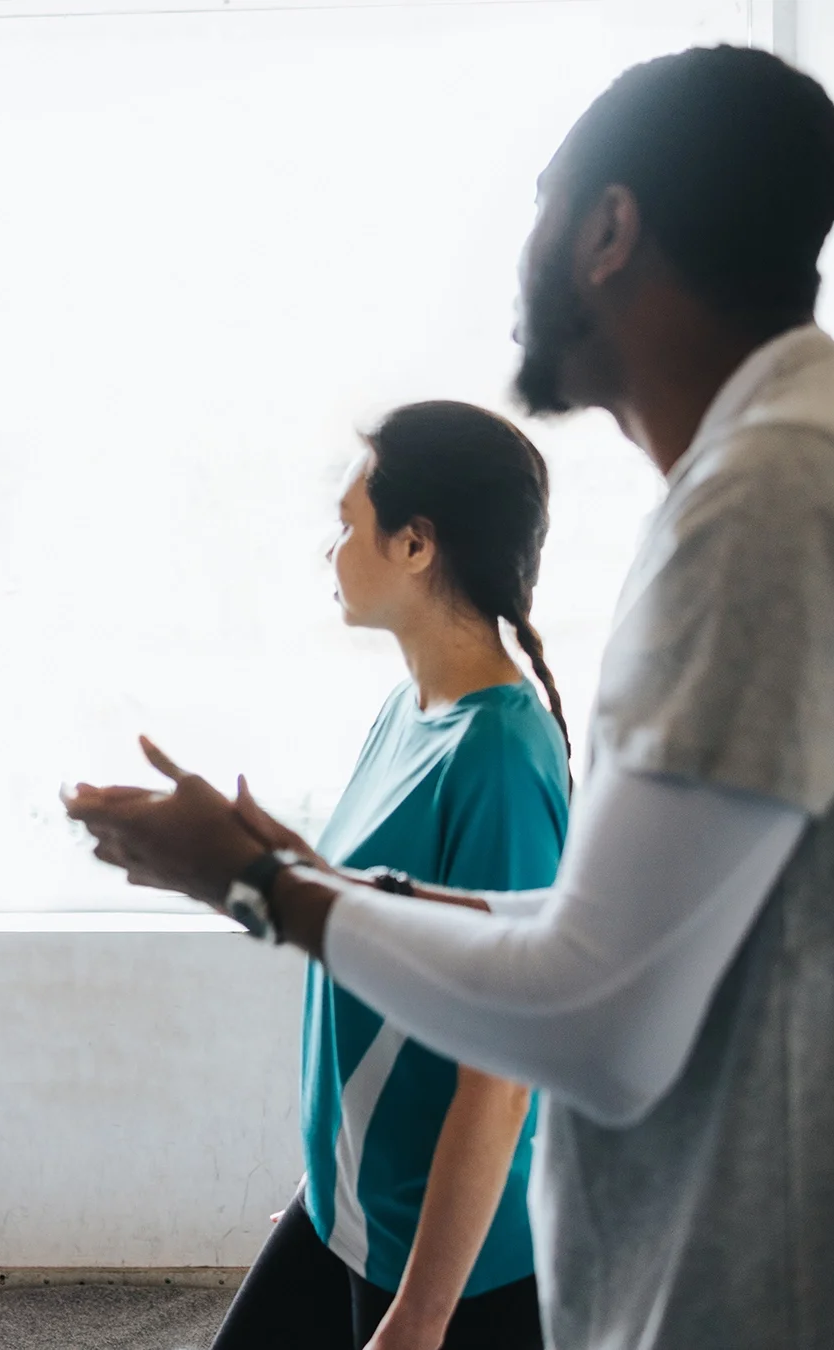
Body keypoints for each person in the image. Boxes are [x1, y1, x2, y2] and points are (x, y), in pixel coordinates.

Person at [67, 45, 834, 1349]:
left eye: (541, 207)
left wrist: (262, 889)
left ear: (609, 231)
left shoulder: (776, 500)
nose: (521, 253)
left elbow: (599, 1015)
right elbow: (641, 926)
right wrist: (310, 875)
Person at [212, 403, 566, 1350]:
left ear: (415, 545)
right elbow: (378, 912)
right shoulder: (408, 709)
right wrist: (258, 858)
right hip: (349, 1200)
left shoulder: (497, 754)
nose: (329, 551)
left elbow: (502, 1072)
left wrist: (419, 1318)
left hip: (444, 1258)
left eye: (345, 524)